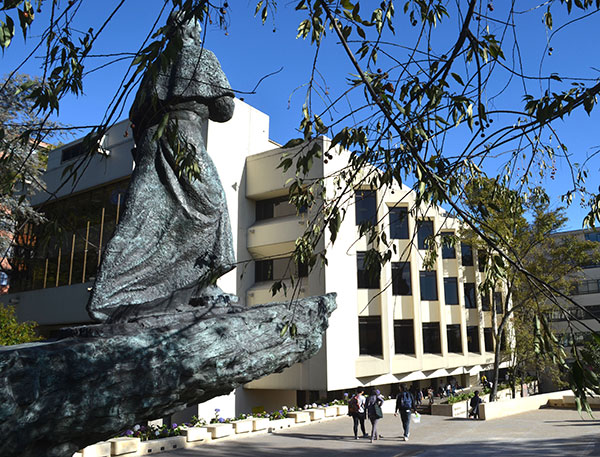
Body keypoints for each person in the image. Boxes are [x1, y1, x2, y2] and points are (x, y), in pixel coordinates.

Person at [87, 12, 237, 322]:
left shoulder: (154, 67)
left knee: (142, 219)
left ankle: (113, 294)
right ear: (193, 32)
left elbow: (136, 115)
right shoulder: (200, 57)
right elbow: (225, 110)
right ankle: (198, 284)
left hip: (150, 144)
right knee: (212, 206)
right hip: (183, 139)